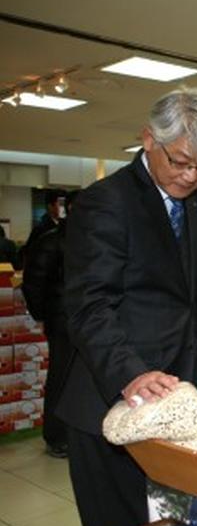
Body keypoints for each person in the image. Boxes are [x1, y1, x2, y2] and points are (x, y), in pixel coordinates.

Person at [61, 86, 197, 526]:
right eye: (181, 162)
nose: (191, 176)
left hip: (179, 396)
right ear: (148, 139)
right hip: (113, 402)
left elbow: (192, 294)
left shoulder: (194, 204)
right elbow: (89, 306)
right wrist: (131, 374)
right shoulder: (105, 202)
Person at [21, 191, 79, 457]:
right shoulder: (51, 241)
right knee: (60, 378)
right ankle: (56, 437)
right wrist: (45, 316)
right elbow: (33, 283)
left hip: (87, 322)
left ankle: (76, 435)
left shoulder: (92, 239)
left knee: (81, 380)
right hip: (63, 322)